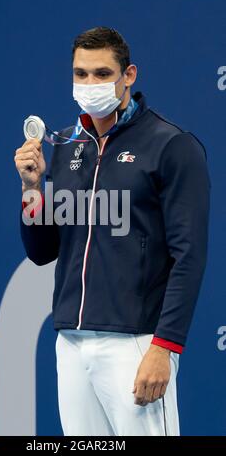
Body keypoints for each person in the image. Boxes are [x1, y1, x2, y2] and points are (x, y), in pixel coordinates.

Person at [14, 26, 211, 436]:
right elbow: (42, 250)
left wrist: (165, 346)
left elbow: (188, 256)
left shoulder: (171, 145)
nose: (90, 84)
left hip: (135, 342)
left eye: (102, 74)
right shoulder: (68, 144)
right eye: (81, 74)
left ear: (129, 75)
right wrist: (33, 188)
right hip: (71, 342)